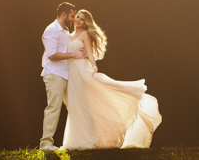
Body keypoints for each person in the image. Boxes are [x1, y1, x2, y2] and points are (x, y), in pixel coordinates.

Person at [61, 9, 161, 149]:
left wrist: (94, 68)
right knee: (74, 105)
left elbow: (90, 53)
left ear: (85, 23)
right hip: (72, 73)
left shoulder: (84, 35)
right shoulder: (69, 36)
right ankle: (76, 141)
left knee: (84, 104)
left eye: (82, 19)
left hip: (82, 70)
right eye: (77, 17)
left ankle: (89, 140)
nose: (78, 20)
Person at [40, 2, 88, 151]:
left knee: (75, 106)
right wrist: (74, 54)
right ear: (63, 14)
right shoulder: (52, 30)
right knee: (54, 107)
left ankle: (82, 141)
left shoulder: (66, 32)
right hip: (54, 75)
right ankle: (46, 143)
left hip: (67, 76)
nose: (74, 19)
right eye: (72, 16)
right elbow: (52, 55)